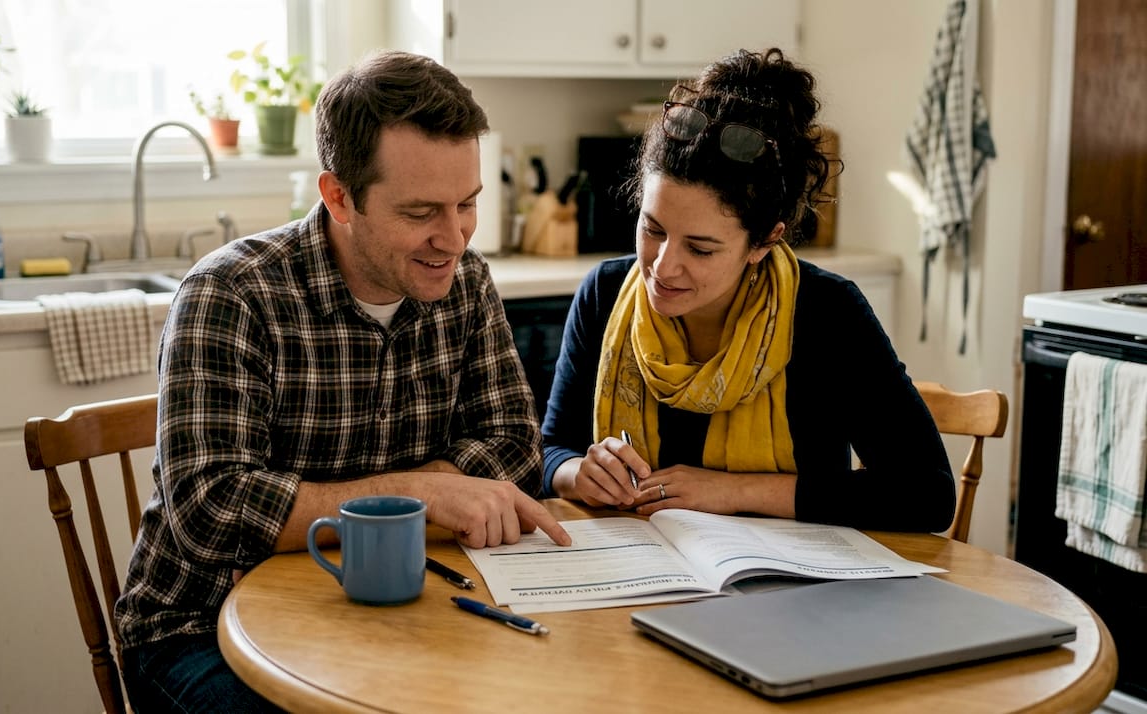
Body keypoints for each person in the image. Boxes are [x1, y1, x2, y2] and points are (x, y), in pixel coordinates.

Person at [115, 50, 571, 713]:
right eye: (421, 213)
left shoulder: (464, 280)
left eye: (467, 203)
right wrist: (422, 494)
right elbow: (211, 511)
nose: (454, 238)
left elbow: (513, 447)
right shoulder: (231, 292)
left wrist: (406, 501)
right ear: (338, 196)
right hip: (198, 627)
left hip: (398, 600)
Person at [542, 48, 955, 533]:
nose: (662, 265)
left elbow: (925, 493)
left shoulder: (826, 312)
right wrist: (577, 473)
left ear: (764, 241)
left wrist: (733, 490)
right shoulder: (606, 293)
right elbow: (552, 450)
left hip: (792, 596)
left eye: (700, 249)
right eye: (653, 229)